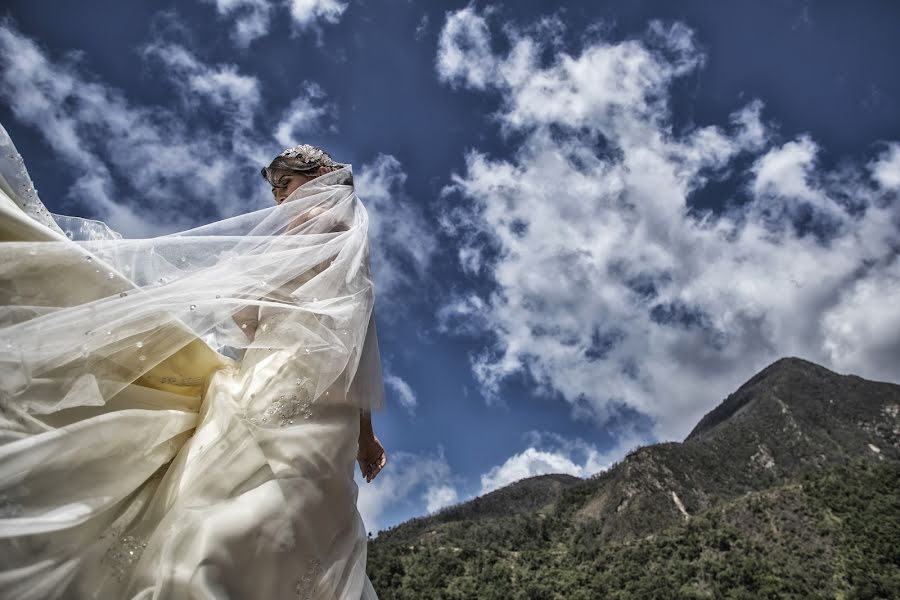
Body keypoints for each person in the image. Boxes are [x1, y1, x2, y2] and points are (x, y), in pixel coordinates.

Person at [0, 124, 387, 599]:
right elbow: (360, 338)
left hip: (283, 373)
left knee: (245, 496)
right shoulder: (352, 237)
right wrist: (365, 433)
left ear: (321, 174)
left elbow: (250, 313)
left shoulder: (309, 227)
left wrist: (238, 316)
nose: (279, 198)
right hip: (333, 400)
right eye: (275, 190)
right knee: (305, 509)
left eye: (285, 184)